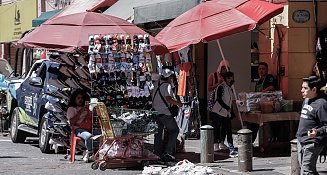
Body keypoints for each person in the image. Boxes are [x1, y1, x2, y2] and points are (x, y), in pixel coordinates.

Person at [297, 76, 327, 175]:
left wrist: (317, 132)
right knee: (307, 169)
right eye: (302, 87)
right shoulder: (306, 100)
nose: (302, 90)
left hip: (312, 143)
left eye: (305, 88)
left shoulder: (321, 104)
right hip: (301, 140)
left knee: (306, 171)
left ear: (314, 89)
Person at [152, 68, 182, 161]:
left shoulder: (156, 84)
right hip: (165, 113)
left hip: (156, 112)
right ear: (169, 77)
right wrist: (178, 103)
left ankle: (156, 154)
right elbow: (168, 99)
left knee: (158, 134)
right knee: (174, 130)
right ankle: (168, 152)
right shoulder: (167, 86)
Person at [211, 72, 238, 158]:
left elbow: (230, 101)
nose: (232, 80)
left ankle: (231, 148)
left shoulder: (230, 88)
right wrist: (226, 107)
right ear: (226, 79)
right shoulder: (221, 87)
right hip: (218, 111)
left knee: (228, 130)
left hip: (226, 113)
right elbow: (219, 99)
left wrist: (230, 111)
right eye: (230, 78)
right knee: (217, 128)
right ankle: (216, 144)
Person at [250, 62, 276, 143]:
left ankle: (267, 142)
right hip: (259, 106)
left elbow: (272, 87)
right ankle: (251, 140)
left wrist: (263, 91)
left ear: (267, 70)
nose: (261, 71)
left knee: (267, 125)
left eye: (263, 69)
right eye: (259, 69)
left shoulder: (269, 77)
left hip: (268, 106)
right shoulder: (259, 81)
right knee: (253, 122)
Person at [208, 60, 230, 150]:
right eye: (223, 68)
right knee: (216, 124)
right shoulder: (213, 76)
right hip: (216, 103)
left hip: (225, 103)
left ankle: (222, 141)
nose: (224, 70)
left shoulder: (228, 77)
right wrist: (218, 84)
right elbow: (209, 88)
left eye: (226, 68)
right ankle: (215, 143)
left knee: (225, 124)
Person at [67, 89, 93, 163]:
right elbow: (71, 122)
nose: (80, 100)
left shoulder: (86, 108)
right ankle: (89, 153)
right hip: (78, 129)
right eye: (78, 98)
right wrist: (80, 112)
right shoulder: (71, 109)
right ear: (74, 99)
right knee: (88, 136)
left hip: (89, 127)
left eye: (81, 98)